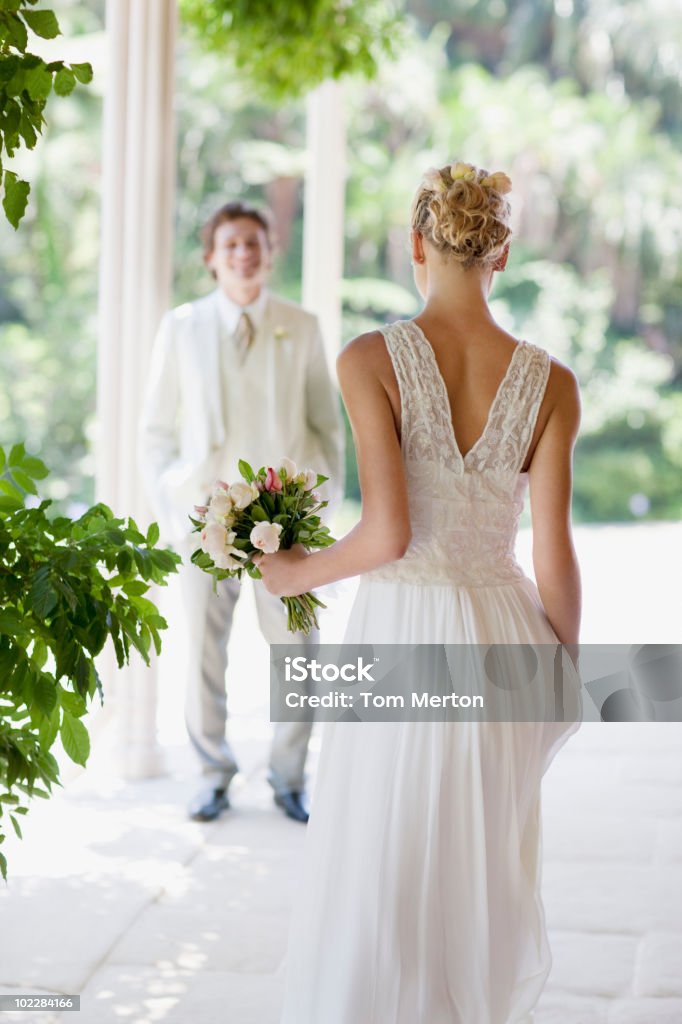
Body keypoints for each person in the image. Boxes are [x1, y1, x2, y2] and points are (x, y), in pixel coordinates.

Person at [257, 161, 582, 1023]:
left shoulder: (370, 359)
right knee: (475, 874)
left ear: (415, 245)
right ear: (500, 254)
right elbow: (554, 551)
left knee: (384, 860)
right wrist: (563, 670)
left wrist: (292, 570)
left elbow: (387, 534)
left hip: (404, 625)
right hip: (509, 637)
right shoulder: (553, 383)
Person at [138, 201, 345, 824]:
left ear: (269, 250)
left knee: (299, 651)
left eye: (253, 242)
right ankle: (211, 774)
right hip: (204, 521)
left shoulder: (301, 326)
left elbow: (325, 427)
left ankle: (288, 777)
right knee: (202, 650)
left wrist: (311, 512)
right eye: (230, 245)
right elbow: (155, 432)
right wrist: (177, 509)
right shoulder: (182, 327)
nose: (243, 254)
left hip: (284, 524)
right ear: (211, 258)